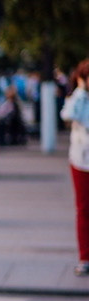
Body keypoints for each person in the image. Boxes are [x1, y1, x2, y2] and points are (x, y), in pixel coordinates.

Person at [59, 59, 89, 277]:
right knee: (84, 209)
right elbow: (68, 115)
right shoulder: (79, 99)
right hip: (81, 161)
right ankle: (85, 258)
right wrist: (80, 91)